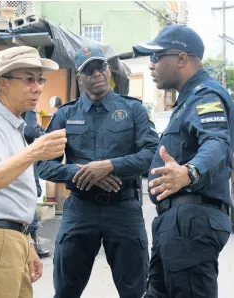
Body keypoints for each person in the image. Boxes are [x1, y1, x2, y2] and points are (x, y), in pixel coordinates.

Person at [37, 45, 159, 298]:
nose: (97, 74)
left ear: (108, 69)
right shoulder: (65, 115)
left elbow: (152, 154)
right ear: (79, 77)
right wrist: (81, 173)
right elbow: (44, 164)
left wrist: (110, 166)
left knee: (135, 291)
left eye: (100, 67)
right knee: (65, 290)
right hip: (80, 211)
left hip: (124, 210)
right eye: (89, 70)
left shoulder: (133, 110)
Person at [133, 25, 234, 298]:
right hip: (175, 222)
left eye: (157, 57)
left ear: (181, 58)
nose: (151, 65)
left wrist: (189, 172)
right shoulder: (187, 100)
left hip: (191, 220)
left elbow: (216, 142)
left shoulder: (205, 95)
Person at [0, 46, 66, 298]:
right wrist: (34, 151)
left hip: (9, 238)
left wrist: (26, 240)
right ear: (3, 83)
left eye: (40, 79)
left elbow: (10, 196)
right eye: (28, 79)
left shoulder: (11, 124)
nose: (37, 87)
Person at [23, 110, 51, 258]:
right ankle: (33, 246)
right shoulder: (27, 107)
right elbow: (29, 130)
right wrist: (45, 135)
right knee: (31, 196)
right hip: (25, 162)